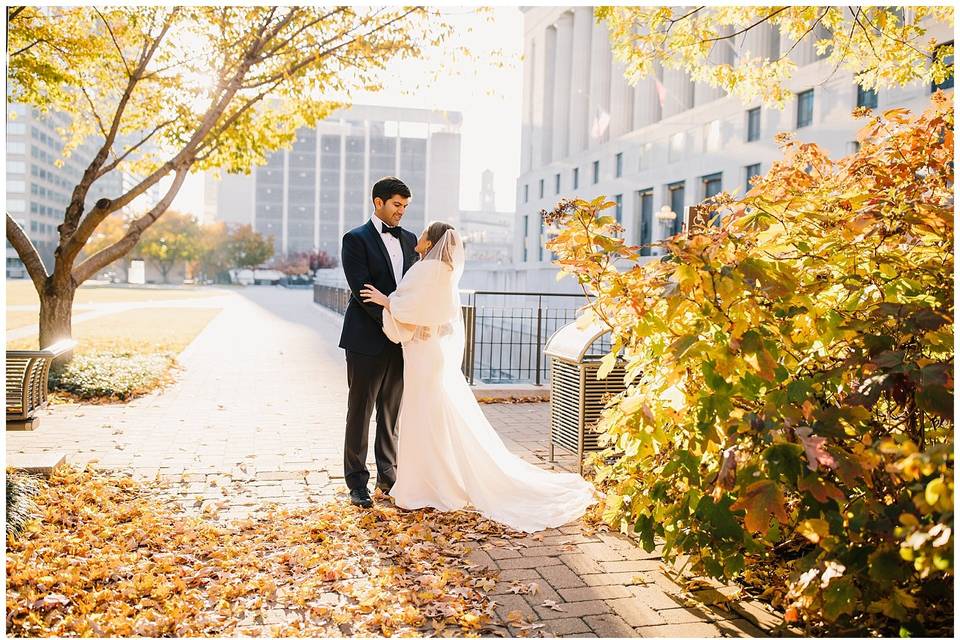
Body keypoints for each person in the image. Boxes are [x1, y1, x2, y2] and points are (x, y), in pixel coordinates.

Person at [360, 223, 597, 533]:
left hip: (420, 354)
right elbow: (434, 313)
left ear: (431, 241)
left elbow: (410, 308)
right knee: (430, 416)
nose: (416, 238)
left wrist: (384, 300)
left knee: (421, 417)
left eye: (423, 234)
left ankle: (426, 486)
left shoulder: (426, 268)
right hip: (430, 353)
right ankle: (433, 482)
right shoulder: (444, 271)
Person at [339, 177, 419, 508]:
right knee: (360, 412)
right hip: (366, 339)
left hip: (400, 341)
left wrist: (403, 324)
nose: (401, 212)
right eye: (396, 205)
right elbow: (362, 290)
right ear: (378, 202)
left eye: (405, 206)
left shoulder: (411, 240)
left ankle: (389, 477)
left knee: (390, 413)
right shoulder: (354, 239)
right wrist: (390, 321)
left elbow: (413, 289)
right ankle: (357, 484)